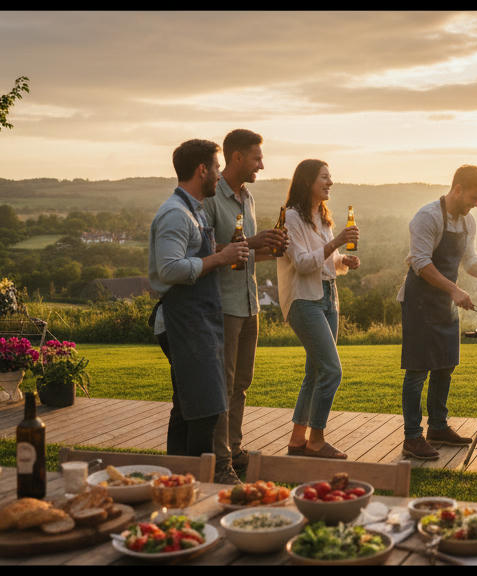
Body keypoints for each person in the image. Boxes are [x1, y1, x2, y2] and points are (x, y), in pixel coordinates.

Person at [148, 139, 249, 457]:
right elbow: (169, 269)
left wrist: (227, 251)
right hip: (183, 323)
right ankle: (199, 479)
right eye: (217, 167)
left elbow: (193, 256)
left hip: (198, 321)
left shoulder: (194, 212)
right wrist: (221, 258)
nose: (220, 175)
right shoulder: (176, 214)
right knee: (204, 411)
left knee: (186, 410)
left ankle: (177, 478)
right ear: (202, 169)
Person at [398, 164, 477, 460]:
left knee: (445, 364)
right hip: (419, 301)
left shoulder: (469, 222)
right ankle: (412, 437)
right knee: (418, 370)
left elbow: (469, 260)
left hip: (444, 302)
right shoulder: (427, 216)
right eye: (474, 197)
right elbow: (420, 263)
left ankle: (439, 426)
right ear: (457, 189)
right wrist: (455, 291)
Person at [205, 129, 288, 483]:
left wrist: (272, 249)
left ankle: (234, 449)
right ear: (236, 157)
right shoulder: (210, 198)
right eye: (256, 158)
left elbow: (249, 253)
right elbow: (208, 251)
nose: (262, 165)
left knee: (242, 383)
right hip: (223, 303)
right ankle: (219, 463)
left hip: (250, 302)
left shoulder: (248, 197)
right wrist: (253, 241)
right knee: (222, 386)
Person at [277, 159, 359, 459]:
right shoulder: (291, 218)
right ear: (307, 180)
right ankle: (317, 440)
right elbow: (301, 263)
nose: (330, 182)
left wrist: (343, 261)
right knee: (331, 370)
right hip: (303, 299)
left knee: (314, 371)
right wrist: (337, 241)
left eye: (330, 176)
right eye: (324, 177)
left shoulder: (322, 217)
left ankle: (298, 440)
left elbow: (327, 260)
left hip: (327, 295)